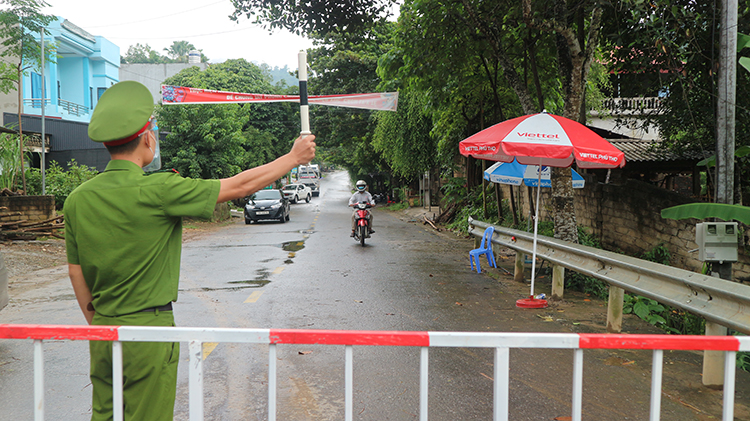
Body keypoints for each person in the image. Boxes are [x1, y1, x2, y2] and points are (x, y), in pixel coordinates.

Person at [64, 80, 315, 421]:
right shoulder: (159, 189)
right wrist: (292, 157)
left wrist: (100, 323)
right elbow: (238, 185)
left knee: (105, 415)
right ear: (148, 136)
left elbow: (75, 271)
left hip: (103, 331)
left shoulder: (78, 198)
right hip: (148, 330)